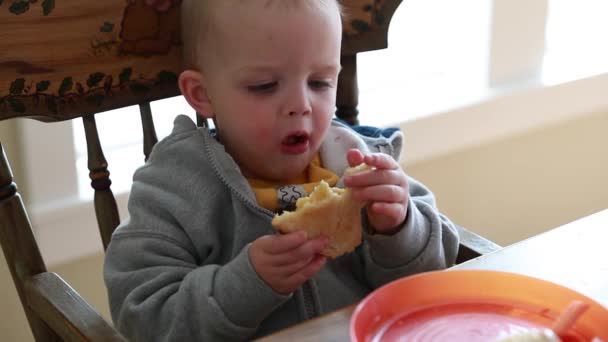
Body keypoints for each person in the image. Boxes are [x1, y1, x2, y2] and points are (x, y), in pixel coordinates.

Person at [103, 0, 460, 341]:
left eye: (320, 82)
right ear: (202, 93)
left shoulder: (356, 158)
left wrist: (398, 227)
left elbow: (433, 272)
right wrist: (247, 283)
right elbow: (145, 320)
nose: (301, 106)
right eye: (264, 86)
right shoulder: (174, 190)